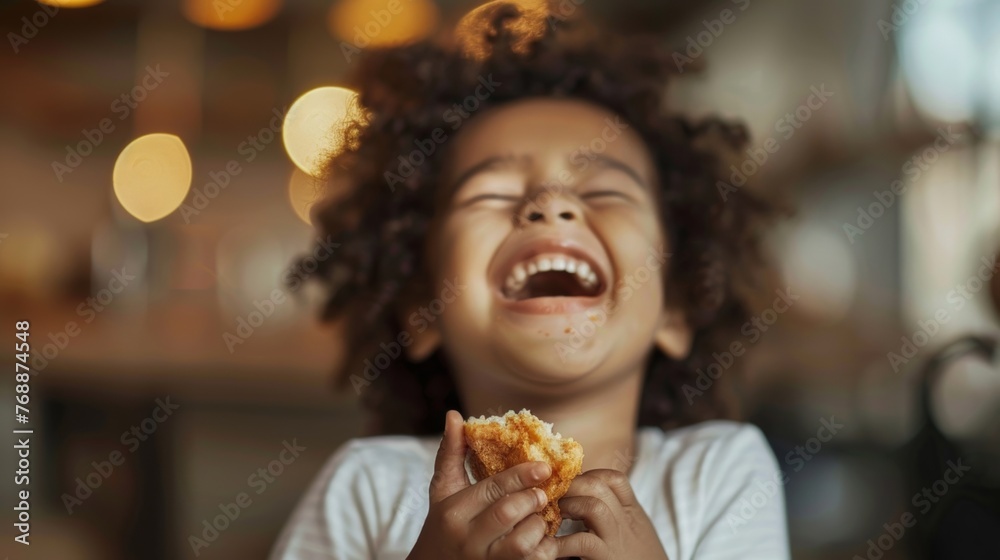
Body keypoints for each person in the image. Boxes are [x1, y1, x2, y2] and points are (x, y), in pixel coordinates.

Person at [270, 2, 790, 558]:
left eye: (604, 193)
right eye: (492, 194)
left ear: (677, 307)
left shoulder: (719, 473)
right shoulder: (364, 488)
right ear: (423, 307)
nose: (551, 204)